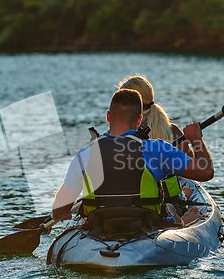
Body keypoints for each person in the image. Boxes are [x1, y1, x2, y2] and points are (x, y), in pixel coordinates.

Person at [52, 89, 213, 226]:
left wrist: (63, 214)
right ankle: (181, 221)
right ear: (138, 121)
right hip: (146, 226)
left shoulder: (84, 156)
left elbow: (59, 210)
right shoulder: (157, 149)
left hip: (100, 227)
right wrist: (196, 139)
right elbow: (205, 171)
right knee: (170, 206)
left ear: (108, 116)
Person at [117, 74, 197, 223]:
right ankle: (179, 217)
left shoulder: (117, 135)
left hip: (127, 204)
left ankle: (177, 215)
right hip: (167, 200)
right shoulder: (172, 131)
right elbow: (194, 169)